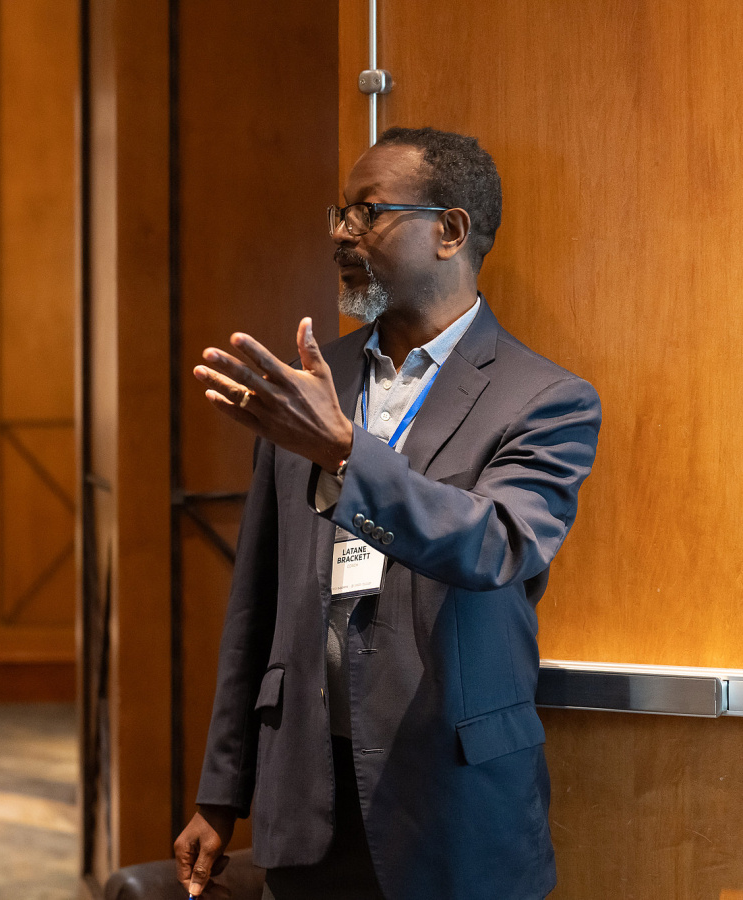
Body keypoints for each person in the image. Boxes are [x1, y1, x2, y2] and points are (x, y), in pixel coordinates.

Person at [174, 127, 601, 900]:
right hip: (307, 799)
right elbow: (258, 603)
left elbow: (494, 544)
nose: (341, 232)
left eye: (368, 212)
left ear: (450, 230)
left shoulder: (546, 401)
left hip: (453, 805)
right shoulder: (315, 382)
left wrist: (347, 456)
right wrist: (221, 793)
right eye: (341, 212)